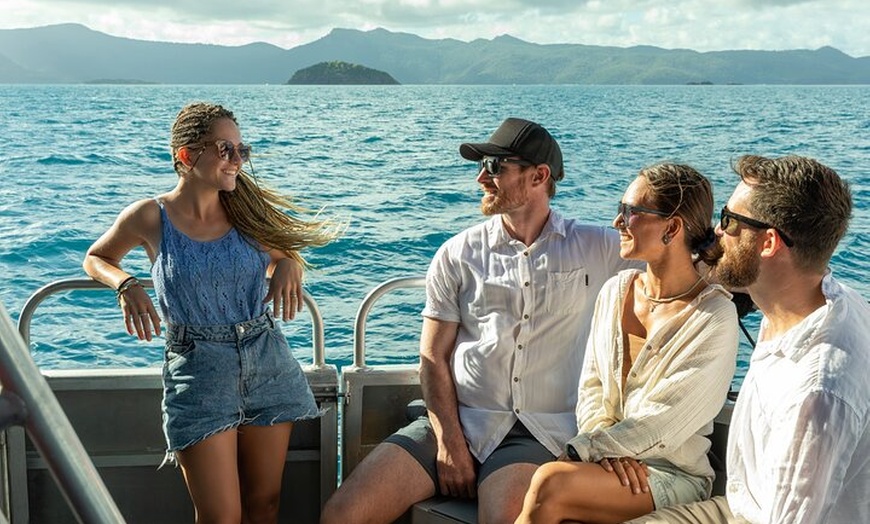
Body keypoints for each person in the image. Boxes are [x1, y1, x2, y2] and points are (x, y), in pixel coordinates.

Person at [320, 118, 639, 524]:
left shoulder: (599, 247)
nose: (480, 177)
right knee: (341, 516)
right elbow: (433, 356)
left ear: (539, 175)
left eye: (495, 167)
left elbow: (679, 266)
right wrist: (450, 442)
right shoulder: (458, 254)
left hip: (536, 432)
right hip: (459, 421)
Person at [82, 102, 339, 524]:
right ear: (187, 156)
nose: (237, 161)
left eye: (242, 150)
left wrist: (289, 262)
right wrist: (125, 285)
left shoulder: (247, 213)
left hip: (266, 358)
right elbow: (96, 257)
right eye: (226, 149)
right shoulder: (151, 215)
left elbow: (280, 255)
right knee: (220, 516)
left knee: (265, 506)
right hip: (198, 371)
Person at [626, 154, 869, 524]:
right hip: (742, 503)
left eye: (729, 221)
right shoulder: (808, 300)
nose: (716, 232)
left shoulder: (818, 391)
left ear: (769, 243)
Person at [515, 164, 739, 524]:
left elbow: (664, 423)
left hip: (673, 474)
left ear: (672, 227)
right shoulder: (615, 291)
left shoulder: (714, 316)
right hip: (608, 462)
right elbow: (591, 386)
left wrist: (585, 451)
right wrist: (603, 451)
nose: (618, 222)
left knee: (550, 482)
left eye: (631, 212)